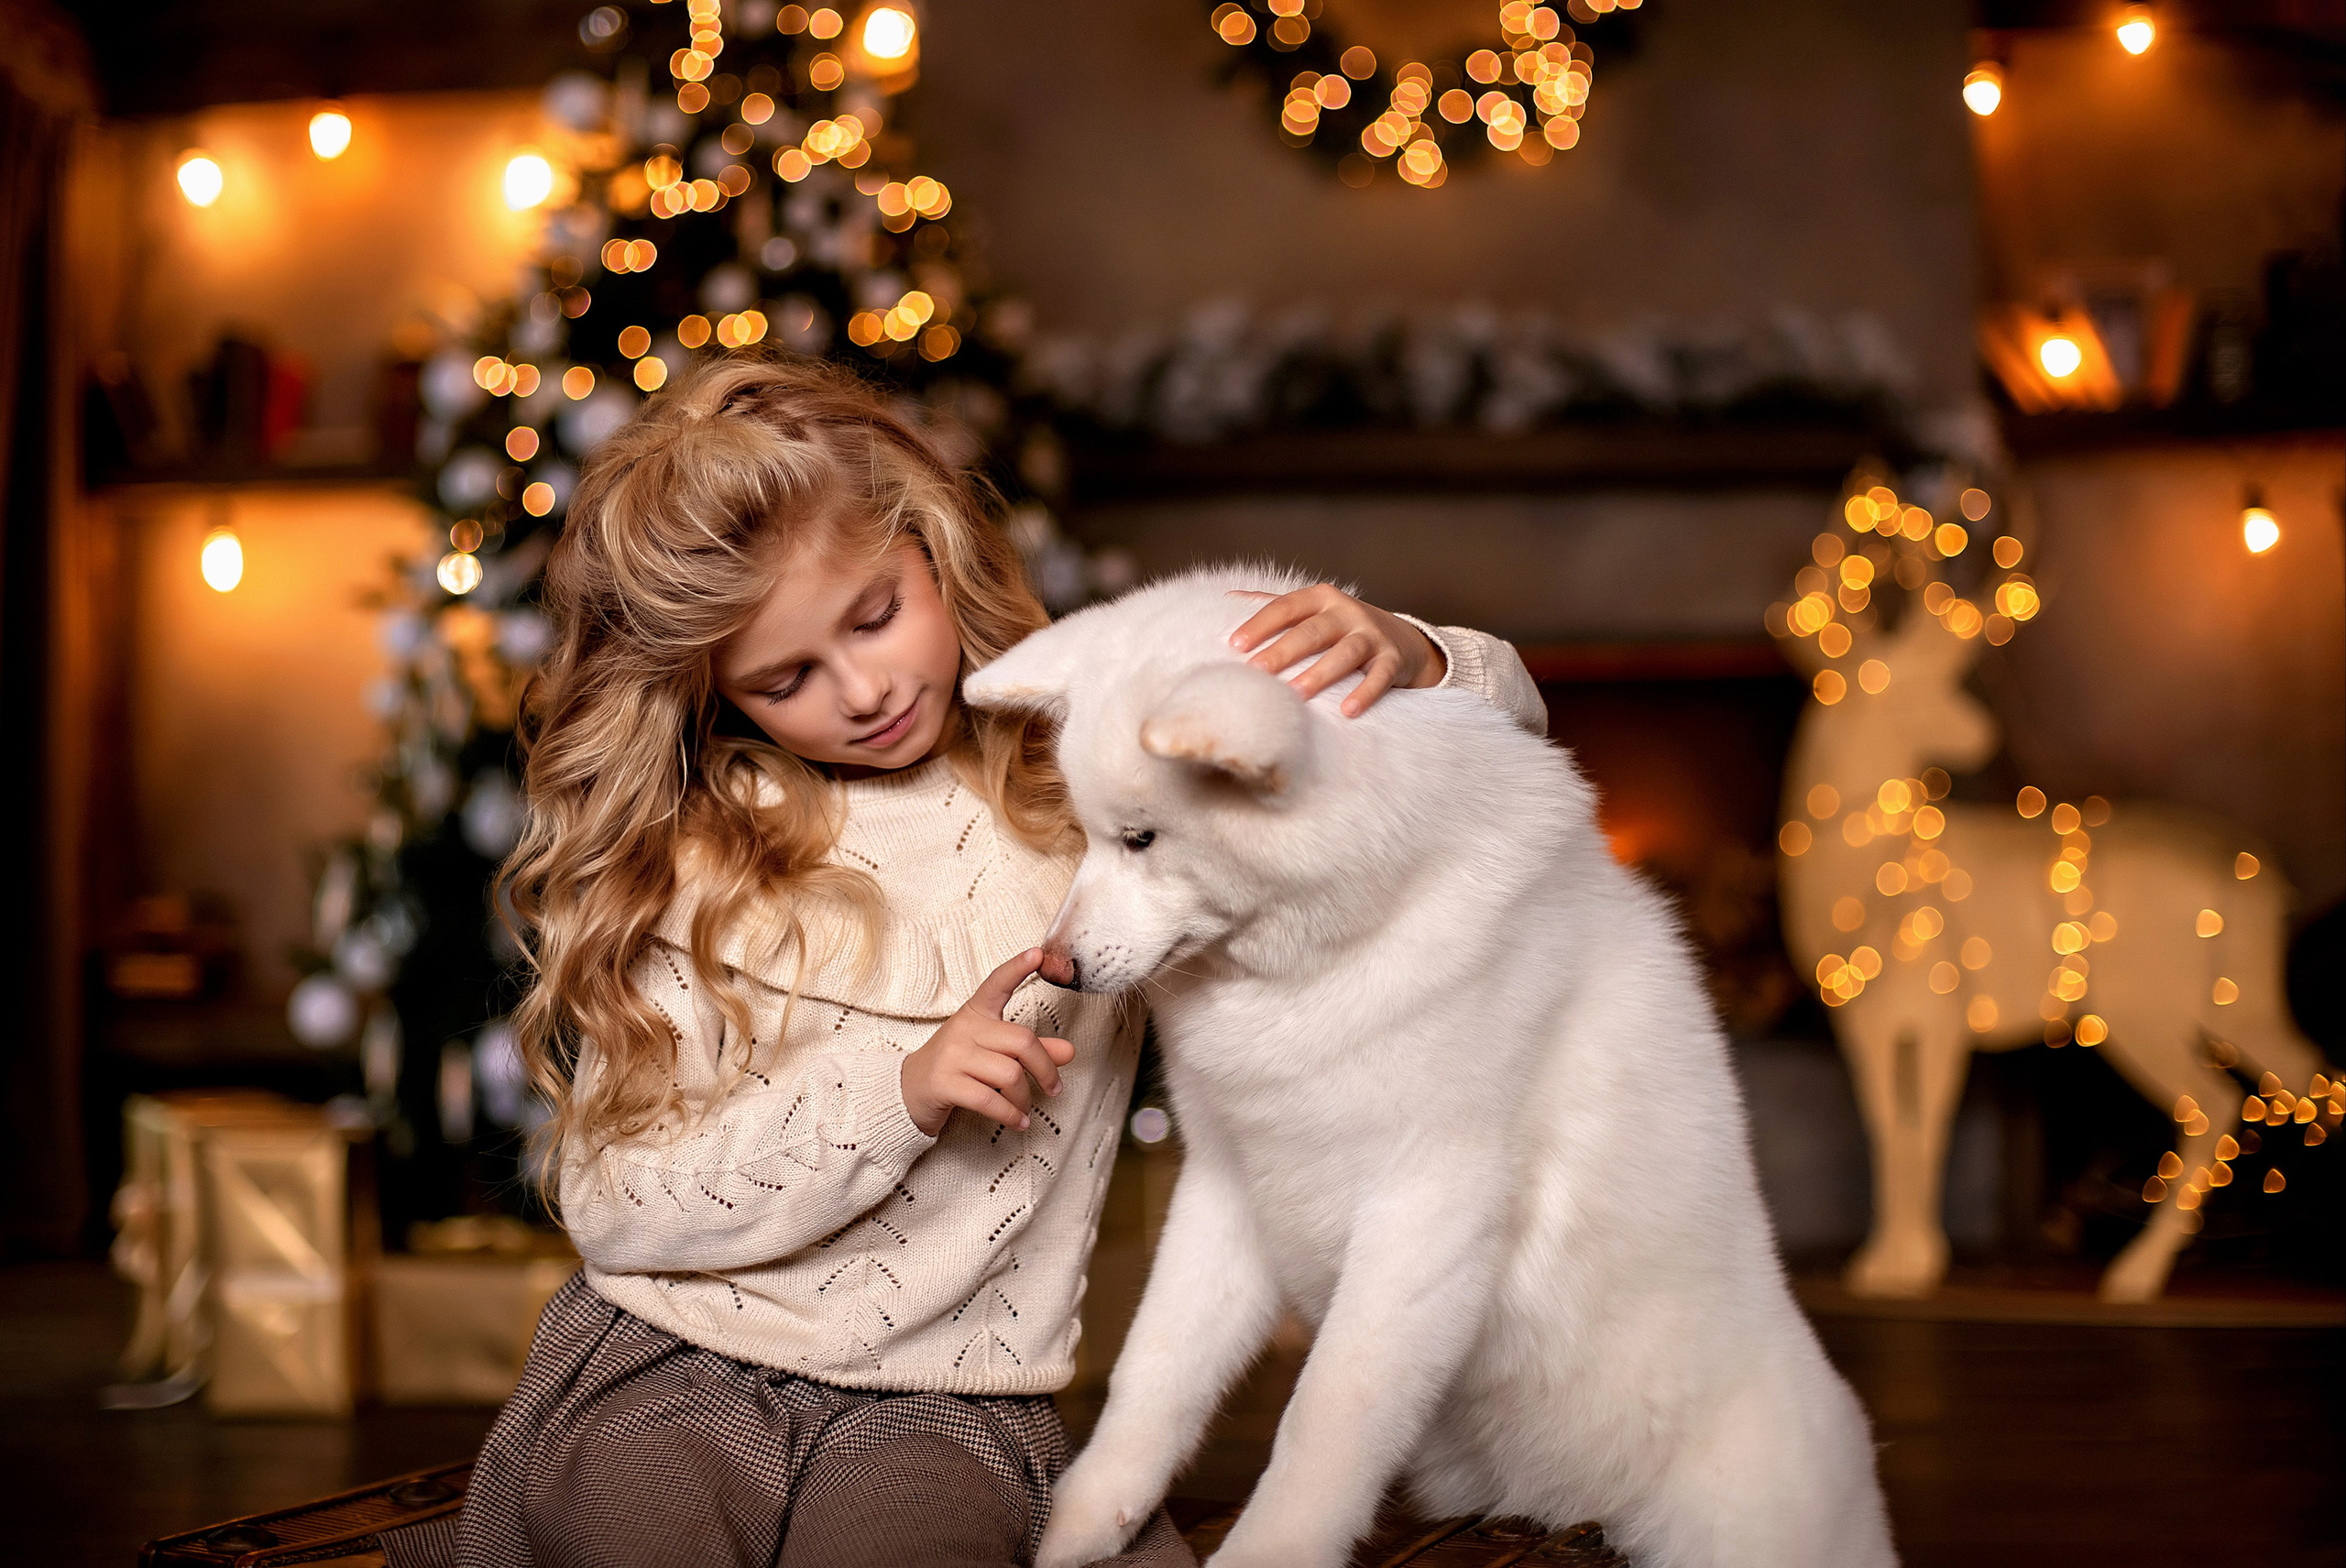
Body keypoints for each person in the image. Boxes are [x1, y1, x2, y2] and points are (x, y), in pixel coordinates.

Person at [382, 355, 1546, 1568]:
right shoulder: (698, 853)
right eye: (787, 678)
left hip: (949, 1397)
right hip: (672, 1361)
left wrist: (1408, 656)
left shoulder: (1101, 776)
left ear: (929, 547)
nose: (866, 687)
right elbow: (617, 1208)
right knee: (635, 1529)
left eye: (876, 616)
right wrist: (899, 1094)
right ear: (715, 690)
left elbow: (1503, 740)